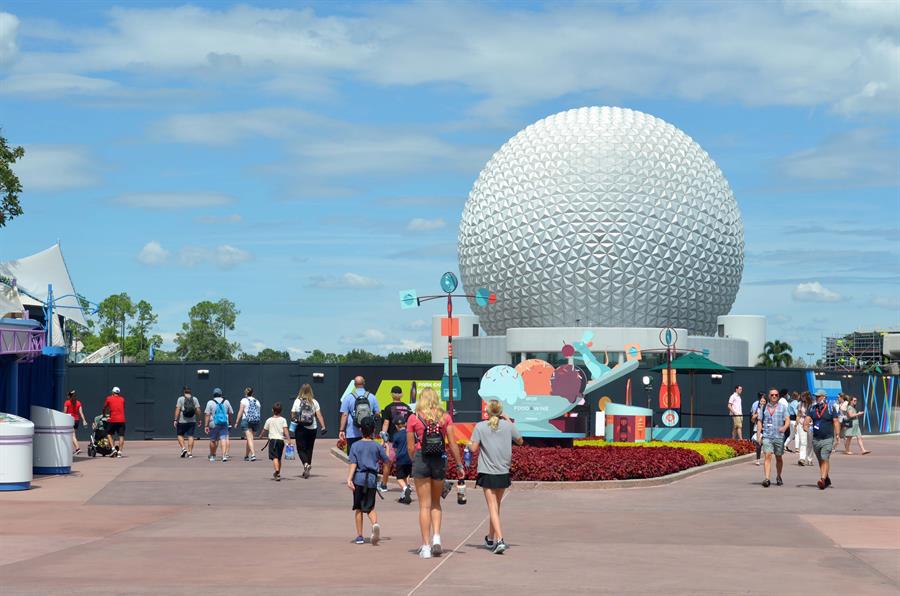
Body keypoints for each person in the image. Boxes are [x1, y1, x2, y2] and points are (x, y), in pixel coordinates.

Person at [406, 387, 464, 559]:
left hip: (421, 459)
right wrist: (459, 464)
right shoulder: (445, 417)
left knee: (424, 505)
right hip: (439, 459)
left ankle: (425, 547)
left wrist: (414, 460)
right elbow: (453, 444)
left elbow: (410, 446)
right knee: (436, 503)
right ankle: (437, 538)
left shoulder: (413, 417)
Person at [467, 399, 523, 555]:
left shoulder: (480, 426)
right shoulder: (508, 426)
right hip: (503, 470)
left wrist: (468, 444)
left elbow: (473, 448)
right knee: (496, 506)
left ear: (488, 411)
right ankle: (490, 538)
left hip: (487, 470)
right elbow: (520, 440)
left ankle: (500, 539)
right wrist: (508, 420)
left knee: (492, 506)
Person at [347, 417, 385, 545]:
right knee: (371, 506)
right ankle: (375, 524)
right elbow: (387, 459)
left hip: (359, 479)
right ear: (374, 430)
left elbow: (353, 463)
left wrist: (349, 478)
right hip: (372, 480)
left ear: (360, 430)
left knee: (358, 508)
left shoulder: (355, 446)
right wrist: (385, 447)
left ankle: (359, 536)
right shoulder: (376, 446)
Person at [805, 389, 841, 490]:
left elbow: (836, 421)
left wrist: (838, 434)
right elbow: (807, 418)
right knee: (821, 460)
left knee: (825, 458)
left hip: (828, 438)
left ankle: (822, 479)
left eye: (818, 396)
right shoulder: (812, 408)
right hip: (816, 439)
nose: (816, 398)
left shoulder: (830, 408)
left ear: (824, 397)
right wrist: (805, 426)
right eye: (816, 396)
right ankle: (827, 478)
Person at [379, 385, 411, 493]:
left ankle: (384, 485)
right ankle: (407, 485)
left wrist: (383, 440)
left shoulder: (388, 408)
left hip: (392, 441)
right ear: (401, 395)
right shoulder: (407, 408)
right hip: (406, 440)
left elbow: (386, 423)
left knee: (387, 463)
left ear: (392, 394)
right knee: (405, 463)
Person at [291, 384, 327, 478]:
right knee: (309, 448)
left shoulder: (297, 401)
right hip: (313, 427)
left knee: (300, 449)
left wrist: (294, 419)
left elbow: (293, 414)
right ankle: (307, 467)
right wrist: (323, 426)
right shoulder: (314, 402)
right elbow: (319, 415)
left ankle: (306, 464)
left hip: (301, 427)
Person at [339, 376, 380, 454]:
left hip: (352, 432)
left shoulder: (348, 397)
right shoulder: (372, 397)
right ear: (364, 383)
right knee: (368, 456)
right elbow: (377, 414)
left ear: (354, 384)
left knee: (353, 457)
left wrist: (341, 430)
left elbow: (344, 415)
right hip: (368, 433)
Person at [758, 388, 789, 487]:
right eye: (772, 395)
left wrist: (784, 427)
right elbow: (759, 421)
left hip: (779, 436)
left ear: (778, 396)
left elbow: (787, 419)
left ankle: (778, 476)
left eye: (776, 395)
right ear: (769, 396)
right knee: (767, 455)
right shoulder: (763, 407)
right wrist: (759, 435)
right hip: (767, 435)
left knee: (778, 457)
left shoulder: (783, 407)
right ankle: (767, 479)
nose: (774, 396)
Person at [259, 402, 292, 481]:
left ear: (272, 410)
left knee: (274, 457)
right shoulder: (283, 420)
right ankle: (278, 473)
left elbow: (264, 430)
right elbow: (286, 430)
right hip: (281, 441)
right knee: (279, 458)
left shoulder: (269, 420)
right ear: (281, 411)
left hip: (273, 441)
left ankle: (277, 472)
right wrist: (289, 440)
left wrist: (261, 436)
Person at [204, 388, 233, 463]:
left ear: (213, 394)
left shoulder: (210, 402)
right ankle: (224, 456)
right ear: (221, 394)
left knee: (213, 440)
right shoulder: (226, 401)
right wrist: (230, 422)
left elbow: (207, 414)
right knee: (223, 439)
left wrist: (206, 425)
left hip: (214, 423)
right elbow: (230, 413)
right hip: (224, 423)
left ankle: (212, 456)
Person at [234, 387, 262, 461]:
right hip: (255, 421)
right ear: (252, 393)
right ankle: (246, 456)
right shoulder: (257, 401)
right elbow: (258, 412)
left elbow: (240, 411)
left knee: (249, 438)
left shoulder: (244, 400)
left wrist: (236, 421)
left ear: (245, 393)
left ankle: (253, 455)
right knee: (250, 439)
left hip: (246, 420)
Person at [173, 386, 201, 458]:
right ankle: (190, 452)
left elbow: (177, 410)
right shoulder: (195, 399)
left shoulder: (180, 399)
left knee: (180, 435)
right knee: (191, 436)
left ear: (184, 391)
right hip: (192, 421)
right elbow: (198, 410)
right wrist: (199, 419)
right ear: (190, 391)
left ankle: (183, 448)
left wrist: (175, 420)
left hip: (182, 421)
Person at [392, 414, 413, 505]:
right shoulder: (410, 433)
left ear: (396, 426)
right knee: (406, 475)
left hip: (401, 458)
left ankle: (405, 489)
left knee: (399, 478)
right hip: (410, 458)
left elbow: (395, 449)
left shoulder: (396, 435)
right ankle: (404, 495)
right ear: (405, 424)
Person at [103, 386, 127, 457]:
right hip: (121, 420)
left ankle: (113, 449)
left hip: (112, 420)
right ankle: (119, 452)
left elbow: (104, 407)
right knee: (121, 436)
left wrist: (105, 415)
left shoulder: (109, 398)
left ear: (113, 392)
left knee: (109, 434)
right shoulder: (122, 399)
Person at [63, 390, 88, 455]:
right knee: (72, 435)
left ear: (69, 396)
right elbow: (81, 413)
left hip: (69, 420)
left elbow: (65, 413)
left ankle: (77, 448)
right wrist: (84, 420)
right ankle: (70, 449)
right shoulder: (78, 403)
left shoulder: (67, 402)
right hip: (76, 421)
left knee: (72, 435)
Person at [796, 391, 813, 466]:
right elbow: (798, 415)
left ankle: (809, 459)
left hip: (811, 424)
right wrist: (796, 424)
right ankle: (802, 458)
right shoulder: (800, 404)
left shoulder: (813, 404)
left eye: (803, 396)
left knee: (810, 442)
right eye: (802, 397)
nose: (802, 398)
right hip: (801, 423)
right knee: (803, 442)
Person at [749, 392, 766, 465]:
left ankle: (766, 459)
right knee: (758, 444)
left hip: (765, 428)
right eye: (761, 401)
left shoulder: (767, 409)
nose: (762, 403)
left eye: (764, 401)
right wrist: (755, 415)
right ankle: (757, 459)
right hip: (757, 428)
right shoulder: (757, 409)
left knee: (765, 444)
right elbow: (752, 420)